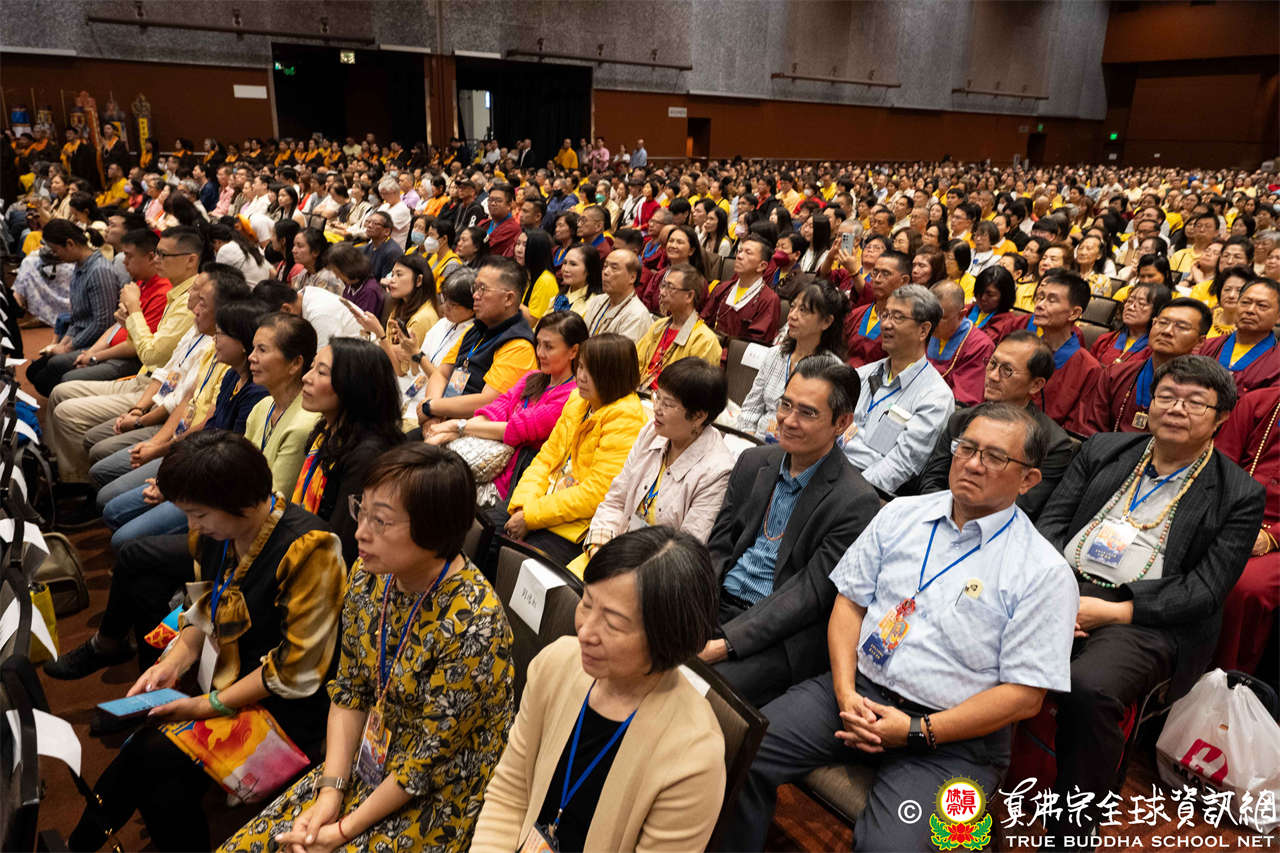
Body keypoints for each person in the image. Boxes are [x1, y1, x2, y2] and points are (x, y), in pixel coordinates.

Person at [724, 403, 1077, 853]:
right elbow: (849, 604)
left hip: (950, 741)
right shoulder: (901, 514)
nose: (972, 464)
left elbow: (1024, 696)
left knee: (889, 847)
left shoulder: (1043, 572)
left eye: (994, 457)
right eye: (966, 448)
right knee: (739, 751)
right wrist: (845, 691)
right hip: (856, 694)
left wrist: (916, 730)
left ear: (1028, 479)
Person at [220, 443, 514, 853]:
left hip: (439, 791)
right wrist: (330, 792)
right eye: (362, 511)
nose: (360, 532)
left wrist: (341, 831)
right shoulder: (372, 574)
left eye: (381, 521)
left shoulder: (474, 624)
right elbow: (351, 689)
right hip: (370, 758)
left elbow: (426, 762)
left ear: (433, 529)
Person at [66, 432, 346, 853]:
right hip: (227, 680)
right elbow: (202, 608)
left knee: (150, 754)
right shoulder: (218, 535)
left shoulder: (310, 549)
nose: (193, 526)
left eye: (198, 514)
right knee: (159, 774)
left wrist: (203, 705)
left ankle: (79, 843)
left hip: (285, 706)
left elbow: (296, 673)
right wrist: (173, 662)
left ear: (243, 501)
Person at [1036, 355, 1264, 847]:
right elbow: (1051, 524)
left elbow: (1205, 590)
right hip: (1061, 585)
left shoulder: (1238, 493)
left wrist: (1115, 611)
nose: (1177, 409)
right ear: (1150, 402)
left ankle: (1073, 829)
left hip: (1145, 618)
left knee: (1090, 687)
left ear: (1222, 417)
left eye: (1195, 402)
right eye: (1167, 396)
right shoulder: (1104, 449)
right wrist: (1056, 594)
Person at [472, 526, 724, 853]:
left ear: (667, 637)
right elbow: (510, 792)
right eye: (587, 603)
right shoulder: (556, 664)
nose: (586, 632)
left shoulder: (693, 757)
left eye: (613, 623)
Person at [702, 356, 880, 707]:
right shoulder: (754, 462)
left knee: (700, 690)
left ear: (842, 423)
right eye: (786, 405)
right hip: (717, 604)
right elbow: (718, 547)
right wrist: (692, 608)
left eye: (807, 413)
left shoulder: (855, 501)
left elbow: (807, 595)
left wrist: (726, 644)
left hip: (778, 634)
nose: (788, 420)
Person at [499, 334, 646, 567]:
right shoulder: (578, 399)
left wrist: (531, 516)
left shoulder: (626, 418)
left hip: (574, 525)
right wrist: (523, 505)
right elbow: (546, 458)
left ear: (613, 375)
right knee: (487, 527)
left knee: (519, 559)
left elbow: (596, 494)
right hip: (542, 504)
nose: (581, 376)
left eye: (591, 371)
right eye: (581, 367)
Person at [578, 357, 734, 571]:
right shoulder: (651, 433)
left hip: (657, 575)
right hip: (613, 553)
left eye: (667, 404)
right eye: (657, 396)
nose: (657, 408)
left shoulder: (717, 471)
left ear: (698, 416)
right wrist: (598, 550)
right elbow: (615, 501)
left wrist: (621, 574)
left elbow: (685, 554)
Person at [425, 311, 586, 503]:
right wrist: (451, 432)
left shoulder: (572, 395)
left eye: (549, 347)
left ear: (573, 351)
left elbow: (517, 429)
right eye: (538, 344)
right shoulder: (532, 378)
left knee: (433, 489)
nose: (540, 353)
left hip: (511, 484)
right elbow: (497, 409)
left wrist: (457, 426)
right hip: (485, 464)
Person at [919, 331, 1075, 519]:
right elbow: (932, 482)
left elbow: (1021, 508)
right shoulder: (961, 419)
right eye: (992, 364)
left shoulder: (1053, 444)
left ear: (1035, 385)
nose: (992, 376)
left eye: (1007, 370)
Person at [294, 338, 406, 564]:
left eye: (321, 372)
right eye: (312, 367)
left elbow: (341, 545)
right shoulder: (326, 432)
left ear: (353, 385)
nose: (306, 377)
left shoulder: (368, 456)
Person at [843, 284, 956, 495]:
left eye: (898, 317)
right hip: (830, 468)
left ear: (923, 330)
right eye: (885, 315)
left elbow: (901, 464)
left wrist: (847, 491)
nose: (886, 324)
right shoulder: (863, 374)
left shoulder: (934, 397)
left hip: (867, 491)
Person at [418, 256, 538, 426]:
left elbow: (488, 401)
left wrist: (431, 407)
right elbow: (442, 373)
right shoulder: (475, 329)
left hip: (470, 430)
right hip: (441, 418)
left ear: (509, 299)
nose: (475, 295)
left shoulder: (519, 345)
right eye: (475, 288)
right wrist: (432, 418)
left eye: (483, 289)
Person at [1212, 385, 1280, 674]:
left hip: (1274, 538)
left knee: (1245, 586)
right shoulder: (1257, 402)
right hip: (1233, 513)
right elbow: (1220, 465)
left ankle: (1225, 678)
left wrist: (1271, 537)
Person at [1076, 297, 1211, 436]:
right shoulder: (1115, 374)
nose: (1167, 331)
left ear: (1200, 341)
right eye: (1162, 322)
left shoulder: (1203, 393)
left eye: (1181, 327)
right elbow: (1088, 428)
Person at [737, 280, 848, 440]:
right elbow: (751, 409)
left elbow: (824, 432)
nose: (792, 316)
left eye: (803, 310)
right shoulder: (775, 354)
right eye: (792, 307)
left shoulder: (833, 370)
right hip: (755, 441)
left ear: (826, 322)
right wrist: (747, 440)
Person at [60, 228, 172, 384]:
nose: (124, 262)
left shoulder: (163, 292)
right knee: (54, 366)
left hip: (131, 359)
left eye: (129, 256)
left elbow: (137, 346)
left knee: (66, 377)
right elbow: (116, 325)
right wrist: (91, 353)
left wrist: (95, 357)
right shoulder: (139, 283)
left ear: (151, 257)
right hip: (109, 348)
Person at [996, 270, 1101, 432]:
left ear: (1074, 313)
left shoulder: (1088, 368)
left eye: (1051, 300)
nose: (1039, 305)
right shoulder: (1022, 349)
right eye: (1040, 297)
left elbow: (1076, 429)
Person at [27, 219, 122, 396]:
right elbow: (77, 318)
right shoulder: (80, 266)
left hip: (97, 341)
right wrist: (61, 344)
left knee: (47, 372)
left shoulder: (99, 271)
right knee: (34, 371)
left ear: (70, 244)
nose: (55, 255)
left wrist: (67, 348)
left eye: (56, 250)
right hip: (82, 336)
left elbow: (103, 323)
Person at [245, 312, 322, 494]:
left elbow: (277, 496)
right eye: (253, 348)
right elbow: (236, 466)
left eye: (262, 350)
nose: (251, 357)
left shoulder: (304, 424)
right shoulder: (262, 406)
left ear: (295, 363)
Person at [634, 263, 722, 391]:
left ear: (689, 296)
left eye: (670, 287)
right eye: (663, 286)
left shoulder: (704, 340)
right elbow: (635, 362)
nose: (662, 293)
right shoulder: (659, 326)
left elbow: (694, 390)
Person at [349, 254, 436, 377]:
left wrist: (379, 333)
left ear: (419, 280)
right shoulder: (399, 307)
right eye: (392, 274)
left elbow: (403, 371)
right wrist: (388, 347)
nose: (392, 280)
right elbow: (392, 354)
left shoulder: (423, 318)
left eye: (399, 275)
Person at [1196, 277, 1280, 395]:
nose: (1250, 310)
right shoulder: (1209, 346)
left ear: (1278, 317)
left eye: (1262, 305)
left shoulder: (1276, 360)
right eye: (1245, 303)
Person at [702, 235, 782, 344]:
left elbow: (755, 343)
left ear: (762, 266)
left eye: (748, 253)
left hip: (737, 353)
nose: (739, 256)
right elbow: (704, 320)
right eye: (739, 251)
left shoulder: (769, 300)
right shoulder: (723, 288)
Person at [927, 280, 996, 407]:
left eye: (940, 317)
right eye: (929, 315)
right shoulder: (924, 329)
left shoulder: (980, 346)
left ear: (961, 315)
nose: (931, 323)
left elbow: (964, 402)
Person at [843, 249, 911, 368]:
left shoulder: (908, 323)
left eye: (885, 274)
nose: (877, 279)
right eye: (875, 272)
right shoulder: (856, 314)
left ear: (904, 281)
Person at [1089, 281, 1169, 365]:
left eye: (1141, 303)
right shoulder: (1105, 340)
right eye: (1129, 301)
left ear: (1157, 311)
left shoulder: (1157, 351)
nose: (1131, 307)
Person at [581, 249, 652, 341]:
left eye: (614, 268)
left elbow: (623, 350)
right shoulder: (597, 300)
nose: (605, 272)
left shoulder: (637, 315)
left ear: (632, 277)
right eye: (605, 266)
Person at [515, 227, 558, 322]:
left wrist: (511, 297)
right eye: (518, 244)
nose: (519, 249)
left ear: (537, 250)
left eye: (525, 245)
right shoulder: (528, 275)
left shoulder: (546, 280)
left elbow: (532, 322)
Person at [559, 243, 603, 315]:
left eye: (573, 264)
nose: (565, 269)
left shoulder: (594, 304)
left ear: (589, 269)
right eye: (564, 263)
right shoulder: (558, 298)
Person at [360, 210, 405, 281]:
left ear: (386, 231)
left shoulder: (393, 252)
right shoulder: (366, 248)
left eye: (375, 223)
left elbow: (386, 282)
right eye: (368, 222)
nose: (369, 226)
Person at [481, 182, 520, 258]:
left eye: (498, 201)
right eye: (490, 200)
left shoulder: (513, 229)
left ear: (509, 205)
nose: (493, 203)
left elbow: (485, 251)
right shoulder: (484, 223)